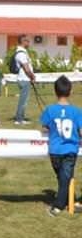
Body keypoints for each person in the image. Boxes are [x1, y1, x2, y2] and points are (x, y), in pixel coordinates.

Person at [40, 75, 82, 216]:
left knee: (63, 177)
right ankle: (64, 203)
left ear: (55, 91)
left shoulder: (49, 110)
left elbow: (45, 128)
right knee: (64, 177)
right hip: (70, 150)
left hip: (55, 150)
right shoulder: (77, 111)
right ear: (70, 92)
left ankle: (63, 203)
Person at [13, 35, 37, 125]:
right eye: (27, 41)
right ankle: (19, 119)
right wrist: (32, 76)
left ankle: (20, 118)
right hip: (24, 79)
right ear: (23, 41)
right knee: (23, 101)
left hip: (25, 78)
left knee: (24, 100)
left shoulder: (22, 52)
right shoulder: (21, 54)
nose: (29, 43)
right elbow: (26, 68)